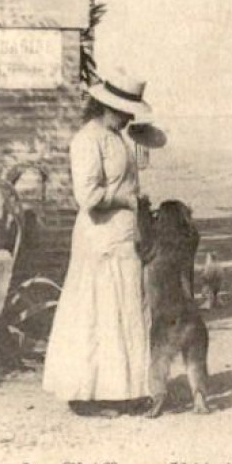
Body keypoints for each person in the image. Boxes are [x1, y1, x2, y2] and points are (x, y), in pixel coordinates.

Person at [41, 68, 155, 415]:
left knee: (124, 308)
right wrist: (125, 199)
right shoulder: (87, 140)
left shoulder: (117, 137)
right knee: (97, 310)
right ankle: (86, 394)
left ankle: (125, 389)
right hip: (99, 236)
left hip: (122, 235)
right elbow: (87, 196)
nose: (126, 117)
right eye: (122, 111)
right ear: (105, 106)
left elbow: (125, 178)